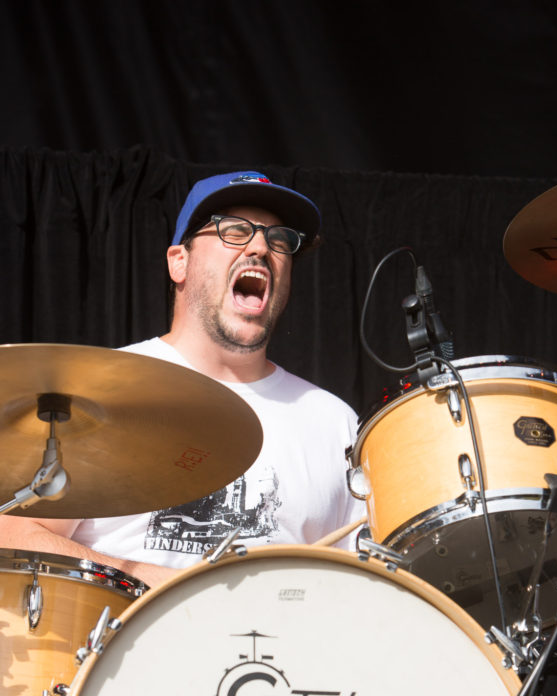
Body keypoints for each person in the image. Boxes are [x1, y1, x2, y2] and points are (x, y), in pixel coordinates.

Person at [0, 172, 363, 588]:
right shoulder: (96, 393)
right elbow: (13, 535)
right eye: (234, 230)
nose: (261, 247)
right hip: (119, 645)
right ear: (179, 262)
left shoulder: (334, 424)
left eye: (280, 240)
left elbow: (359, 590)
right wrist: (169, 589)